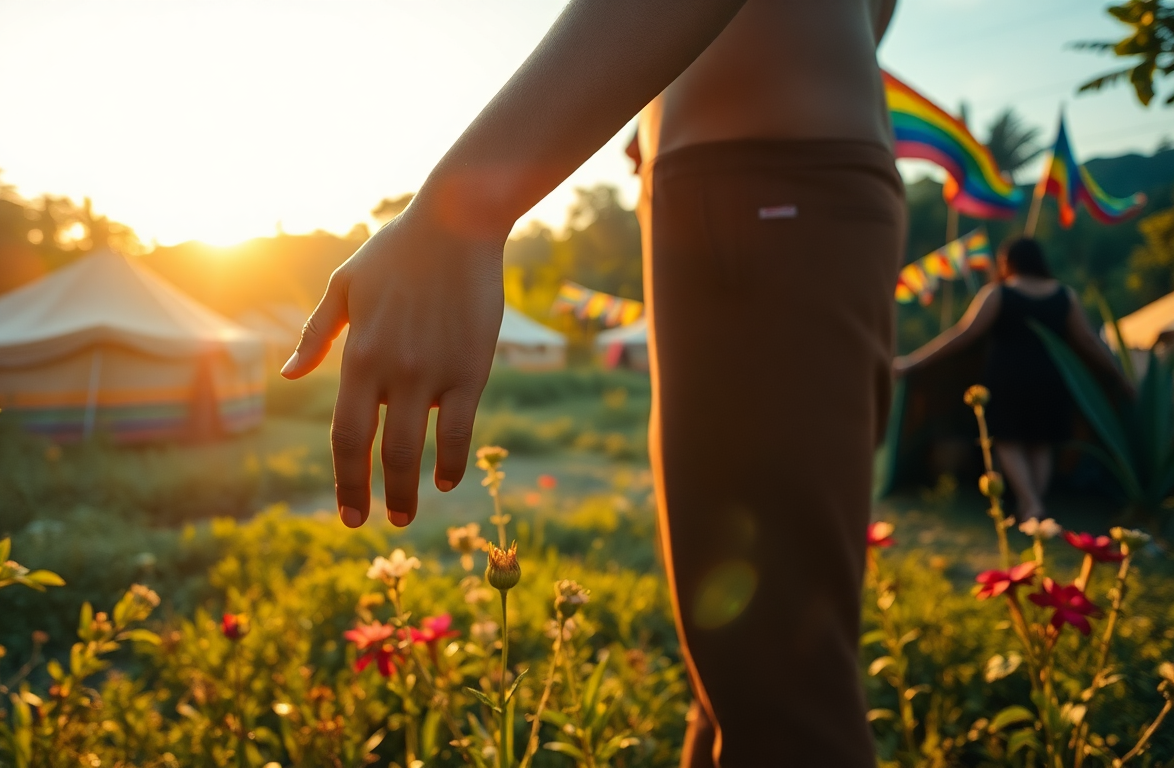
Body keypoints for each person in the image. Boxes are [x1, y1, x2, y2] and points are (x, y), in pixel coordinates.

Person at [281, 1, 901, 765]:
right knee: (737, 675)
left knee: (783, 693)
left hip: (765, 181)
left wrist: (461, 212)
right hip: (749, 180)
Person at [893, 237, 1130, 521]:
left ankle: (1031, 505)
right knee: (1040, 442)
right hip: (1050, 377)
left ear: (1008, 262)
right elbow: (1089, 341)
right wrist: (1120, 376)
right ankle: (1034, 506)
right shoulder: (1065, 296)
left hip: (1007, 377)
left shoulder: (997, 293)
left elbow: (965, 334)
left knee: (1008, 439)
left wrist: (914, 362)